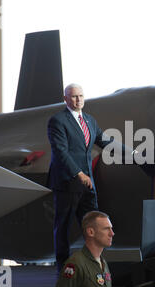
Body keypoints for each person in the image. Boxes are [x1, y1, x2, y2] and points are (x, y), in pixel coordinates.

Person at [47, 83, 114, 273]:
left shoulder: (90, 121)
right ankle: (63, 270)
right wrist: (79, 174)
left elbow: (104, 141)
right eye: (74, 96)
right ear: (66, 99)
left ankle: (94, 267)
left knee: (96, 225)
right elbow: (61, 152)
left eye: (81, 96)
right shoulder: (58, 121)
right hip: (67, 183)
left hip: (87, 185)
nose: (78, 100)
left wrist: (133, 153)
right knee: (63, 229)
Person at [53, 211, 114, 287]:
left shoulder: (103, 263)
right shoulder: (75, 264)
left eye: (111, 228)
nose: (112, 233)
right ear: (90, 232)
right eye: (106, 229)